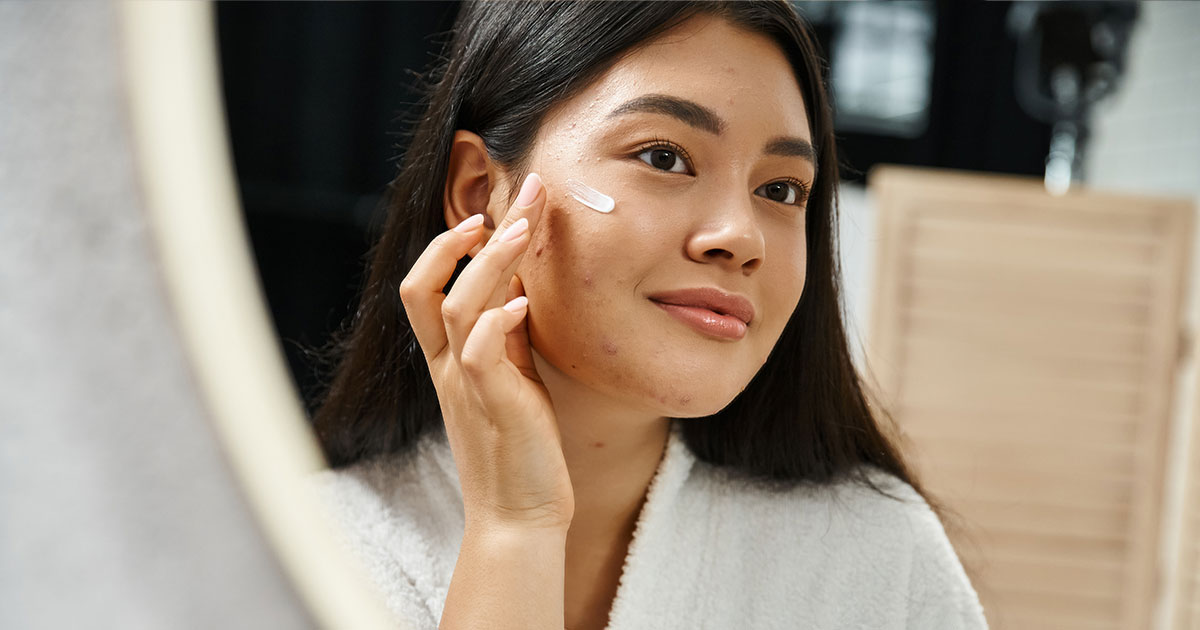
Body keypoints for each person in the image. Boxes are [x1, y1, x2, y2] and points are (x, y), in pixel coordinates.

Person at [307, 2, 988, 629]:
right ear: (480, 191)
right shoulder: (304, 547)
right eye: (664, 158)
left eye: (781, 190)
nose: (741, 235)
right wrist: (515, 528)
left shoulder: (880, 563)